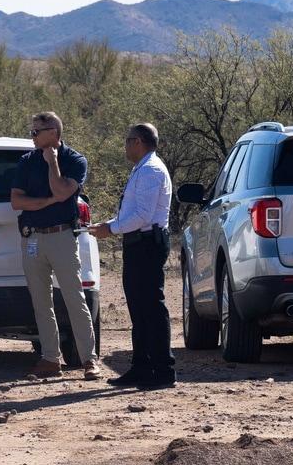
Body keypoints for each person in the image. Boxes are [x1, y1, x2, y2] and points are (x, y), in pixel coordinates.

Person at [10, 112, 101, 379]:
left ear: (53, 132)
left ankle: (89, 360)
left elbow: (62, 191)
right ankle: (51, 358)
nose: (32, 136)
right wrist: (48, 202)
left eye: (36, 132)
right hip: (33, 238)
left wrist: (53, 165)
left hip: (61, 236)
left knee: (74, 298)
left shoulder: (74, 160)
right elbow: (17, 201)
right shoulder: (27, 161)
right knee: (41, 302)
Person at [89, 122, 176, 388]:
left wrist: (111, 229)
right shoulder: (142, 169)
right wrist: (109, 224)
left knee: (151, 306)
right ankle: (142, 367)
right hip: (139, 243)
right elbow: (132, 213)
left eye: (128, 140)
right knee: (139, 309)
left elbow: (142, 216)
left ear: (138, 142)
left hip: (147, 244)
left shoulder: (150, 170)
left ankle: (162, 371)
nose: (125, 145)